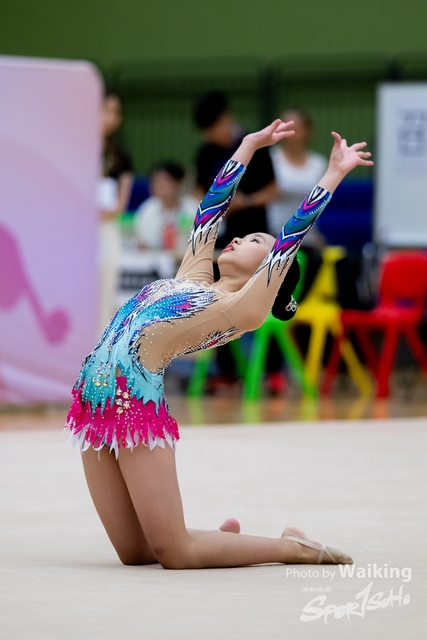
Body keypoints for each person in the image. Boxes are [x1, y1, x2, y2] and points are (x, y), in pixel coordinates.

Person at [65, 119, 373, 569]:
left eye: (255, 241)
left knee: (176, 554)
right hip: (91, 402)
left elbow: (291, 238)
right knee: (135, 553)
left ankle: (290, 547)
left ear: (270, 271)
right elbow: (209, 210)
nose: (238, 237)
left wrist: (333, 174)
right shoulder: (194, 276)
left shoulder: (241, 310)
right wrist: (246, 147)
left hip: (134, 407)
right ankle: (222, 543)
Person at [97, 92, 134, 331]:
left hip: (106, 229)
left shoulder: (120, 156)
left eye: (116, 112)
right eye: (105, 110)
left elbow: (120, 205)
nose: (110, 117)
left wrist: (101, 214)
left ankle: (99, 341)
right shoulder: (75, 148)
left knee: (106, 285)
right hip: (76, 229)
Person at [134, 161, 198, 253]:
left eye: (165, 181)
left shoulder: (193, 207)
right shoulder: (147, 208)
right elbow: (141, 241)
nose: (159, 185)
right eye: (155, 181)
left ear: (178, 182)